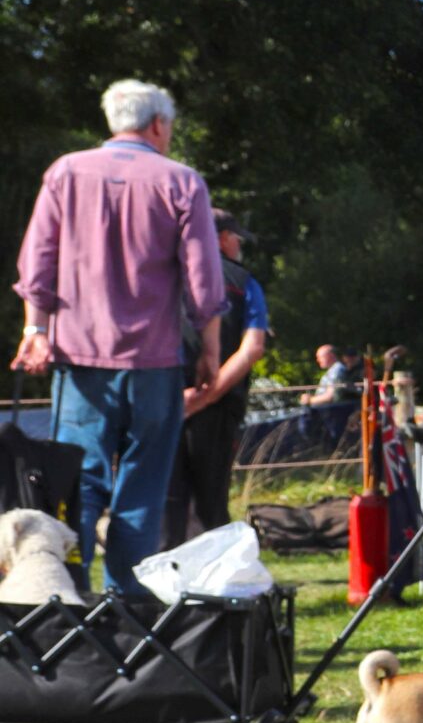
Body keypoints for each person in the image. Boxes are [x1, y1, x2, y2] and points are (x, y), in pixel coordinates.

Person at [12, 80, 224, 594]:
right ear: (157, 124)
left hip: (80, 360)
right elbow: (203, 277)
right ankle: (127, 602)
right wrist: (211, 348)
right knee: (145, 483)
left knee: (75, 478)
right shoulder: (182, 181)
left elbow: (36, 262)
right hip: (154, 360)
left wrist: (35, 329)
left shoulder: (66, 172)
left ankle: (69, 588)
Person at [163, 209, 271, 543]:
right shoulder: (242, 283)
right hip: (218, 406)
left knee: (166, 500)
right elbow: (252, 348)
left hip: (162, 402)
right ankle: (211, 587)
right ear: (223, 239)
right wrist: (206, 397)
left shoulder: (161, 274)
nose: (239, 245)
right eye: (238, 238)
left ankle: (158, 583)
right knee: (211, 500)